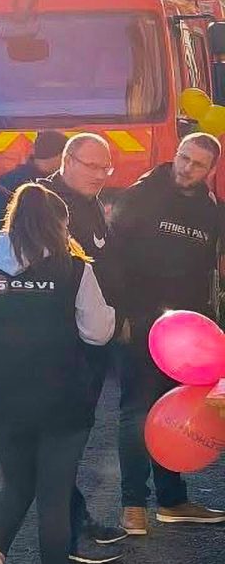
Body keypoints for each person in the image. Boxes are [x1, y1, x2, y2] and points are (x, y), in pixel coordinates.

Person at [0, 181, 115, 564]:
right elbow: (96, 333)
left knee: (16, 483)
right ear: (57, 223)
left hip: (4, 393)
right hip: (63, 394)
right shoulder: (74, 269)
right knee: (54, 494)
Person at [100, 132, 225, 534]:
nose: (186, 168)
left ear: (212, 170)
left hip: (188, 334)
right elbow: (111, 258)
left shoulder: (213, 212)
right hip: (140, 323)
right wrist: (121, 315)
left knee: (178, 412)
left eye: (197, 164)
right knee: (137, 411)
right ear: (175, 155)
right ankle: (133, 505)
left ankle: (172, 499)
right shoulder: (141, 196)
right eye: (183, 158)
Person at [40, 133, 127, 564]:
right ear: (68, 160)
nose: (100, 175)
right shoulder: (48, 204)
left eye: (105, 168)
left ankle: (75, 516)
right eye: (92, 166)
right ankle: (66, 536)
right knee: (61, 440)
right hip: (62, 346)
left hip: (92, 341)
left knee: (75, 436)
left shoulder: (90, 202)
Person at [0, 129, 68, 196]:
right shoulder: (9, 183)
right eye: (67, 157)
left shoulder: (7, 180)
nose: (69, 162)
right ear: (59, 156)